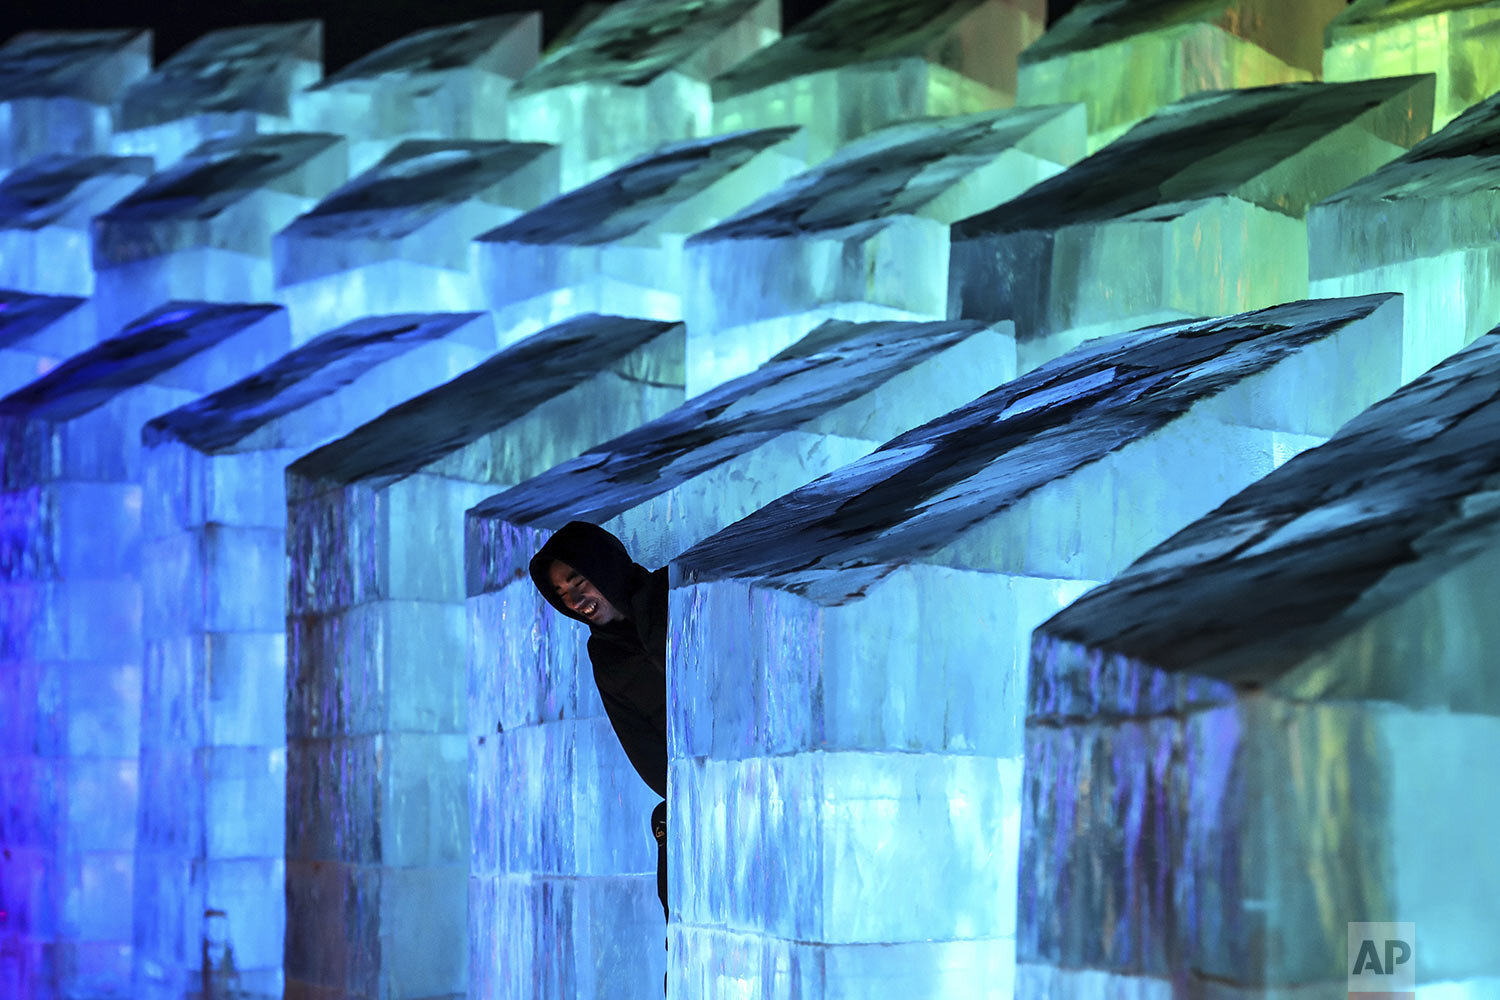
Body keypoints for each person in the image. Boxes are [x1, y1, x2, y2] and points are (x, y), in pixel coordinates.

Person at [528, 520, 669, 921]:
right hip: (691, 792)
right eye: (563, 594)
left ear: (603, 566)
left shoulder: (670, 594)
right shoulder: (605, 658)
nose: (575, 599)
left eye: (578, 581)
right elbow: (640, 743)